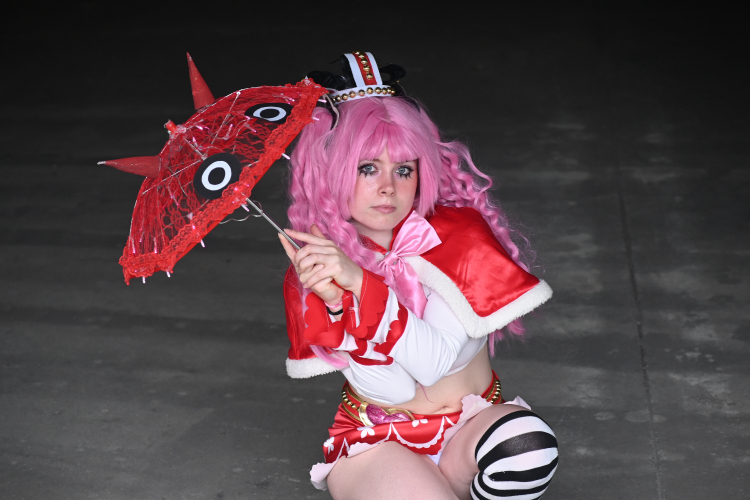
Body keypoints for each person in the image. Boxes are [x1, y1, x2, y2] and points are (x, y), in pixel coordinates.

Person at [278, 51, 557, 500]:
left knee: (527, 447)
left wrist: (361, 286)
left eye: (403, 169)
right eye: (367, 168)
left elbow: (435, 363)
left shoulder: (458, 236)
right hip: (378, 442)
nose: (388, 187)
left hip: (470, 426)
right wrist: (339, 302)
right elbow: (392, 389)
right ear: (330, 173)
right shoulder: (318, 267)